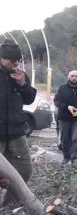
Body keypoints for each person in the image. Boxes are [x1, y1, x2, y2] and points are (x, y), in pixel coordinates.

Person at [0, 40, 37, 206]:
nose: (15, 64)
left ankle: (7, 207)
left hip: (16, 132)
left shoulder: (20, 75)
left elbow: (29, 99)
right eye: (11, 61)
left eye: (17, 61)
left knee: (24, 169)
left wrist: (22, 84)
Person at [54, 70, 77, 163]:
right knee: (65, 138)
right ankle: (66, 158)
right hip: (64, 117)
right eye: (72, 76)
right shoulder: (62, 88)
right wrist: (67, 107)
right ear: (68, 77)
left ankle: (74, 158)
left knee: (76, 138)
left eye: (76, 76)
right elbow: (57, 101)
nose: (74, 78)